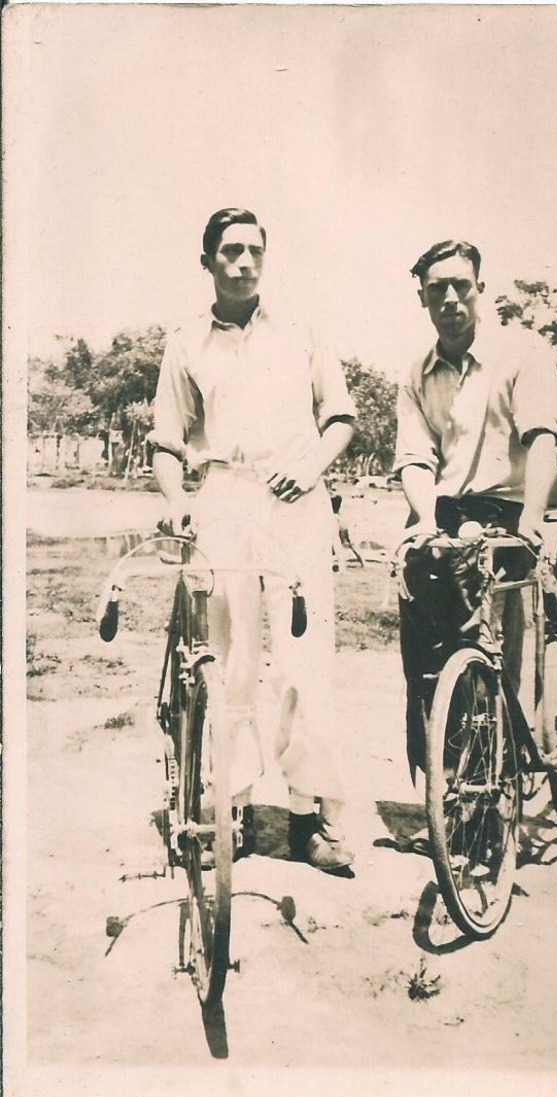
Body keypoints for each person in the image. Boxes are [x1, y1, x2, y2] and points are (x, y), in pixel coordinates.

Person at [150, 207, 356, 871]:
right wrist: (180, 502)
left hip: (295, 506)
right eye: (230, 251)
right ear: (207, 260)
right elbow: (165, 440)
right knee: (230, 662)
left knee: (304, 662)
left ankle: (307, 819)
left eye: (255, 251)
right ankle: (229, 811)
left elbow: (341, 419)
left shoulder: (300, 332)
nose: (244, 262)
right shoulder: (186, 341)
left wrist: (311, 467)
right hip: (223, 505)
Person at [394, 238, 557, 780]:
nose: (449, 298)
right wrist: (424, 520)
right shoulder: (417, 372)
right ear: (422, 299)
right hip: (443, 509)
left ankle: (502, 774)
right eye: (435, 290)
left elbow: (542, 437)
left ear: (479, 290)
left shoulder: (521, 353)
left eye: (460, 286)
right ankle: (448, 785)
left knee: (498, 649)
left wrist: (533, 519)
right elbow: (415, 459)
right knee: (426, 651)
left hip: (509, 507)